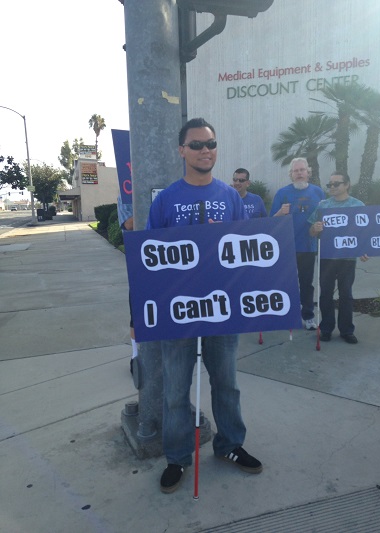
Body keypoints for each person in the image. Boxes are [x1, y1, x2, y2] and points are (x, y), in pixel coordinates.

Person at [146, 117, 262, 494]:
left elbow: (244, 253)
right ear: (182, 150)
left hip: (222, 310)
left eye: (210, 143)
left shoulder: (230, 197)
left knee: (226, 385)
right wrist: (139, 314)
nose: (204, 150)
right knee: (176, 391)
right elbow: (148, 261)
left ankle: (229, 445)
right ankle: (177, 457)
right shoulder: (165, 200)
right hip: (177, 313)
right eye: (195, 145)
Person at [309, 172, 369, 344]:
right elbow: (311, 232)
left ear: (347, 184)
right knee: (325, 294)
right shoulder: (323, 205)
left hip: (348, 259)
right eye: (330, 185)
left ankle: (346, 330)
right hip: (326, 257)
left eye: (337, 184)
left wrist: (364, 250)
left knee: (346, 295)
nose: (332, 187)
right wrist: (315, 227)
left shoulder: (358, 205)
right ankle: (326, 328)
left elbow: (364, 232)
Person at [270, 158, 325, 330]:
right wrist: (281, 212)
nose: (299, 173)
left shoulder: (318, 193)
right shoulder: (282, 193)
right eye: (296, 171)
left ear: (308, 172)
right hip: (286, 247)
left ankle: (308, 316)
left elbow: (324, 217)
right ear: (291, 174)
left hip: (309, 246)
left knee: (307, 283)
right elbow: (271, 221)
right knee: (286, 283)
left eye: (302, 170)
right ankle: (287, 315)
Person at [117, 194, 138, 374]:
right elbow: (128, 224)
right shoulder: (125, 196)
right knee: (137, 314)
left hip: (167, 259)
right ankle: (136, 356)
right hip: (139, 261)